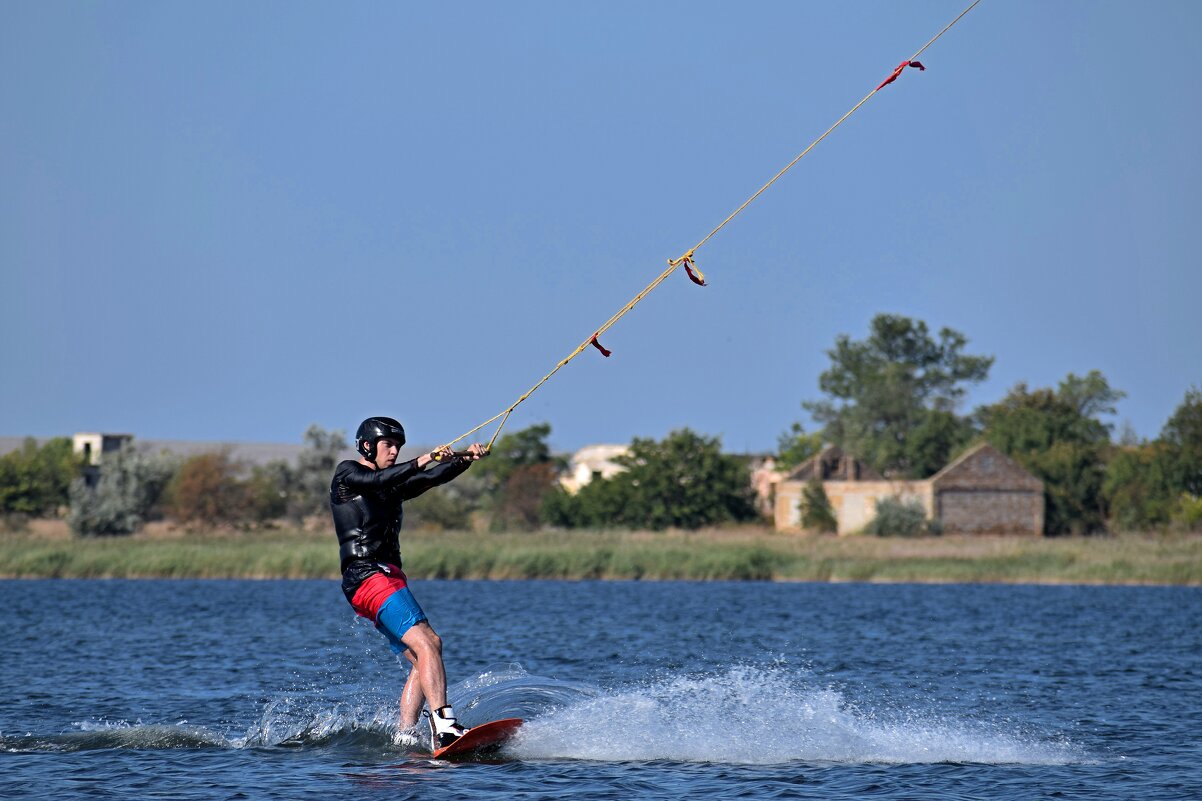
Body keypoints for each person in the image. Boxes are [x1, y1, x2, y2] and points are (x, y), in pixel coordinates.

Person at [329, 415, 487, 750]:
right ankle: (444, 725)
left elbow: (428, 479)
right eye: (388, 444)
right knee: (430, 642)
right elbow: (381, 478)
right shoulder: (348, 474)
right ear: (367, 446)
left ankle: (405, 734)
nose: (394, 450)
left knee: (421, 654)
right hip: (369, 574)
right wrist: (423, 458)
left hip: (379, 578)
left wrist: (465, 459)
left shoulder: (390, 485)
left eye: (399, 445)